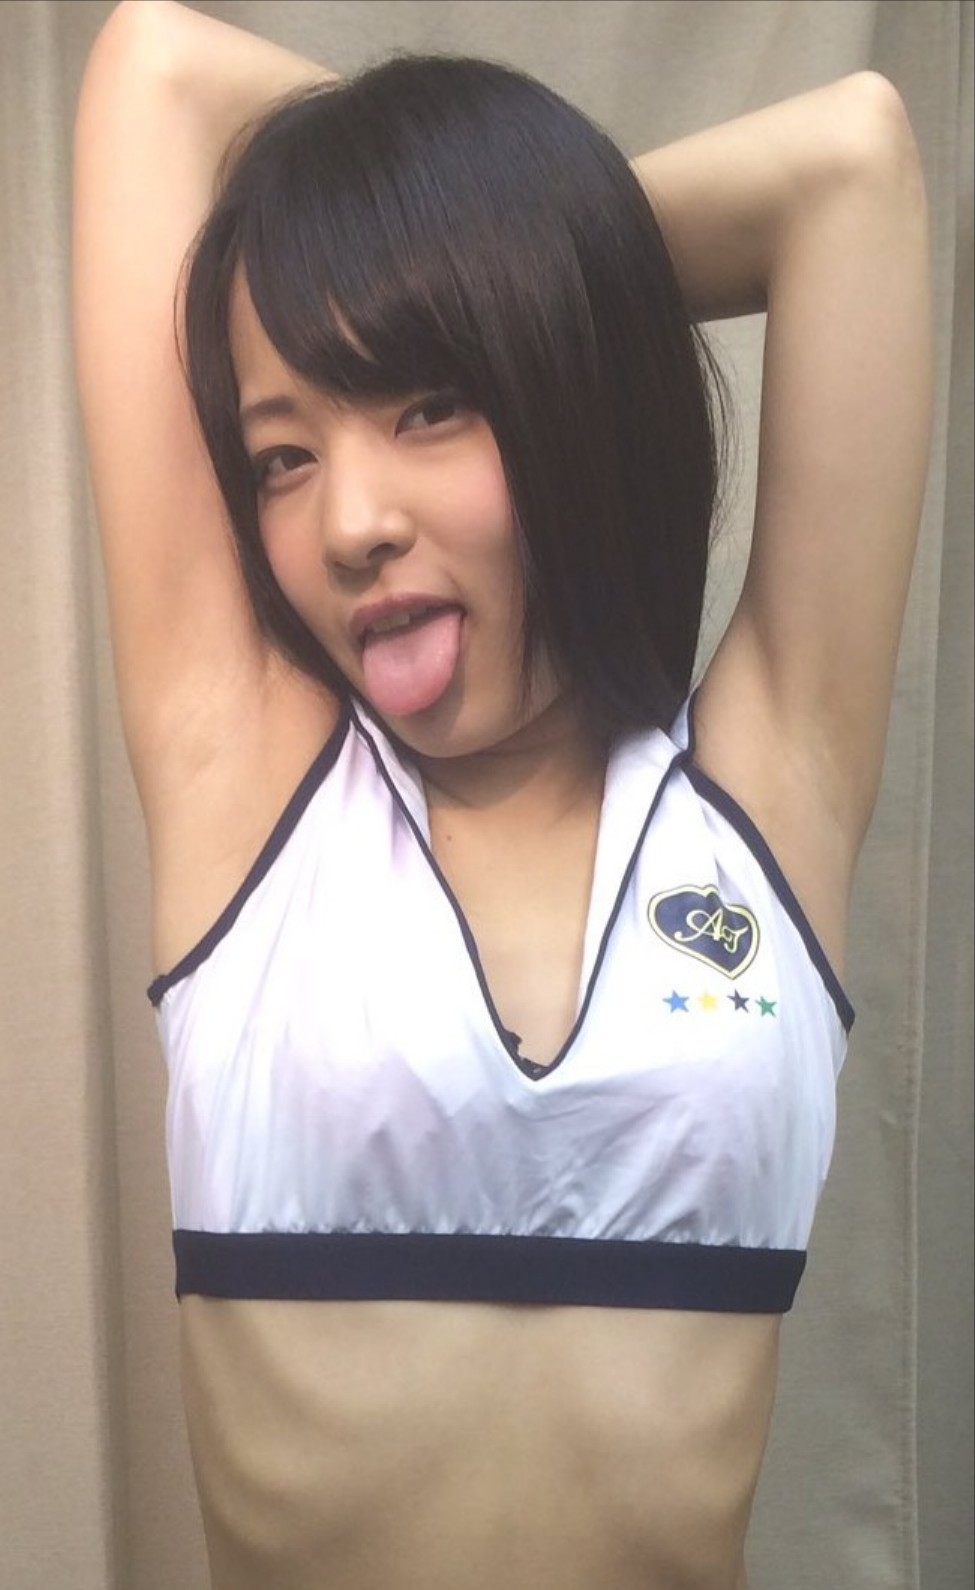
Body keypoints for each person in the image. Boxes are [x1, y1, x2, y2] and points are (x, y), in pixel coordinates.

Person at [71, 2, 932, 1588]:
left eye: (428, 402)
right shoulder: (243, 779)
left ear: (564, 379)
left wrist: (527, 248)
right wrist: (482, 233)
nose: (349, 521)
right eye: (281, 455)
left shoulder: (766, 798)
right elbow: (155, 68)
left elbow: (851, 167)